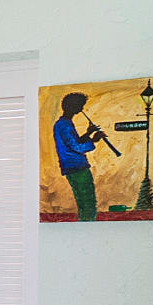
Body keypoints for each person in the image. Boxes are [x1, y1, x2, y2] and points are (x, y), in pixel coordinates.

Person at [52, 92, 110, 220]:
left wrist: (88, 133)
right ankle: (88, 223)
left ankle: (84, 222)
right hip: (77, 167)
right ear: (72, 106)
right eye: (80, 105)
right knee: (88, 203)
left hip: (71, 167)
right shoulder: (65, 126)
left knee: (83, 203)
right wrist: (94, 140)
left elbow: (74, 143)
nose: (82, 109)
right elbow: (77, 147)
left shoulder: (63, 123)